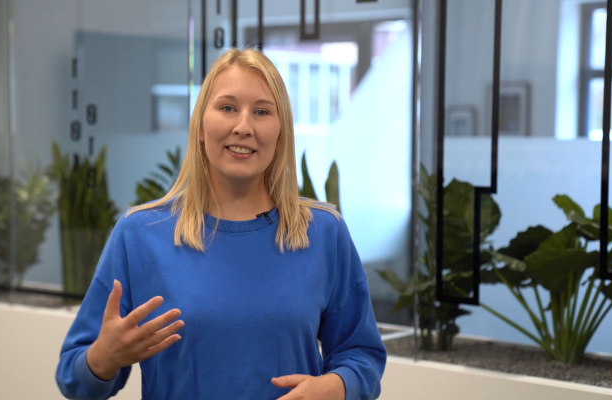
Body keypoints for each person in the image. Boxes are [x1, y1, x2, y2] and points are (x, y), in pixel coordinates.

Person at [54, 48, 386, 400]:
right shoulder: (139, 235)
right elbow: (73, 376)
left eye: (261, 112)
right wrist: (102, 359)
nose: (243, 127)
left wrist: (334, 388)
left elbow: (361, 354)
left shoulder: (323, 233)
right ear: (200, 126)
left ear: (281, 133)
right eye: (227, 108)